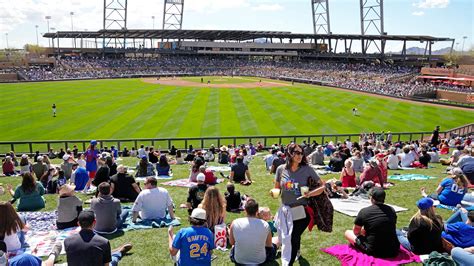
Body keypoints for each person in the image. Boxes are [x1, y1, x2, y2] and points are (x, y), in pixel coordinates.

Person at [274, 143, 325, 265]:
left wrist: (310, 194)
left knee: (292, 237)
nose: (300, 155)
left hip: (302, 211)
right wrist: (274, 193)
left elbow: (322, 186)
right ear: (290, 154)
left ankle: (288, 263)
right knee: (292, 236)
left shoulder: (307, 169)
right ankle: (296, 251)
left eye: (301, 153)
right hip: (286, 211)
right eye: (297, 153)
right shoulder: (281, 169)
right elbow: (276, 188)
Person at [344, 187, 400, 258]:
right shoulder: (391, 210)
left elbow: (356, 232)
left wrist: (363, 231)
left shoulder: (364, 211)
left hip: (374, 250)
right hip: (394, 249)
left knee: (348, 232)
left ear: (372, 198)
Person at [64, 210, 132, 266]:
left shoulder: (67, 241)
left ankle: (116, 251)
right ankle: (119, 252)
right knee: (113, 260)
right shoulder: (103, 242)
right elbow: (107, 265)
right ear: (94, 222)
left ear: (78, 224)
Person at [229, 198, 274, 265]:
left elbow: (232, 242)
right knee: (276, 241)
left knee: (234, 246)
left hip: (239, 260)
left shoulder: (235, 222)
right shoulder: (265, 224)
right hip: (260, 260)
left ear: (245, 211)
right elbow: (269, 245)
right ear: (257, 211)